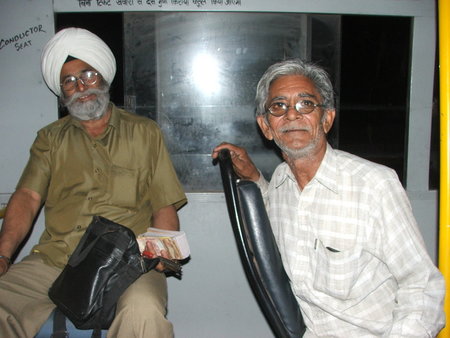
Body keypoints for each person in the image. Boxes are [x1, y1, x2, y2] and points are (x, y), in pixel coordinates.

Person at [212, 59, 445, 337]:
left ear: (327, 119)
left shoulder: (373, 185)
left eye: (306, 104)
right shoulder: (280, 184)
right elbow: (273, 216)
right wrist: (253, 177)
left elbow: (422, 284)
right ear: (266, 126)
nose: (292, 115)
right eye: (279, 106)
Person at [0, 27, 187, 337]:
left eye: (88, 75)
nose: (81, 87)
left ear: (103, 76)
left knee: (144, 312)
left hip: (126, 263)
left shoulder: (144, 132)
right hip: (55, 260)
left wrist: (161, 255)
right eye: (69, 82)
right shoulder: (49, 139)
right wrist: (3, 254)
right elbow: (27, 197)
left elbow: (163, 206)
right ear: (62, 93)